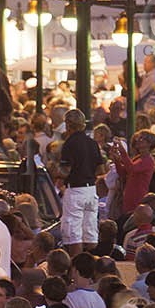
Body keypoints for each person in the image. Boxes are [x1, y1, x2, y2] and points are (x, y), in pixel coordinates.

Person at [58, 109, 102, 254]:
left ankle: (76, 270)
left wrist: (55, 171)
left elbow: (66, 171)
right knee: (90, 234)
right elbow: (100, 169)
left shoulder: (69, 143)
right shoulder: (92, 143)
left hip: (76, 190)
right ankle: (90, 265)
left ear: (68, 124)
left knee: (73, 235)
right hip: (91, 190)